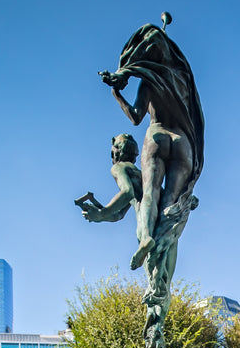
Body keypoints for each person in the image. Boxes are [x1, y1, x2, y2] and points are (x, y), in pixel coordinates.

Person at [99, 21, 204, 271]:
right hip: (183, 142)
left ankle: (146, 237)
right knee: (170, 203)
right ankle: (162, 246)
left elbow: (136, 117)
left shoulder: (148, 80)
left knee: (150, 194)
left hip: (157, 136)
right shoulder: (183, 79)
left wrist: (117, 93)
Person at [77, 134, 143, 224]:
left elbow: (127, 192)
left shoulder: (119, 167)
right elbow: (119, 214)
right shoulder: (137, 176)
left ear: (115, 152)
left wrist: (102, 213)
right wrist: (98, 216)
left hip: (151, 224)